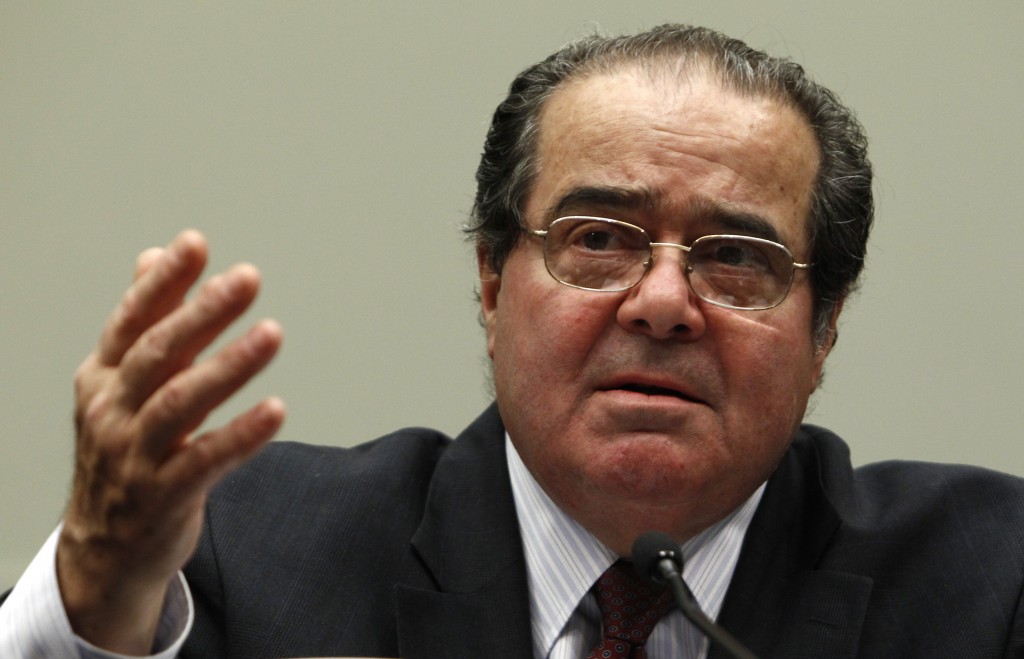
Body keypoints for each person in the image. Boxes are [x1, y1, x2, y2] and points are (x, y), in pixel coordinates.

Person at [3, 23, 1024, 658]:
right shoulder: (245, 547)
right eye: (597, 238)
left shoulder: (990, 579)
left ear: (824, 327)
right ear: (492, 283)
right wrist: (97, 586)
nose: (662, 300)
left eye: (735, 258)